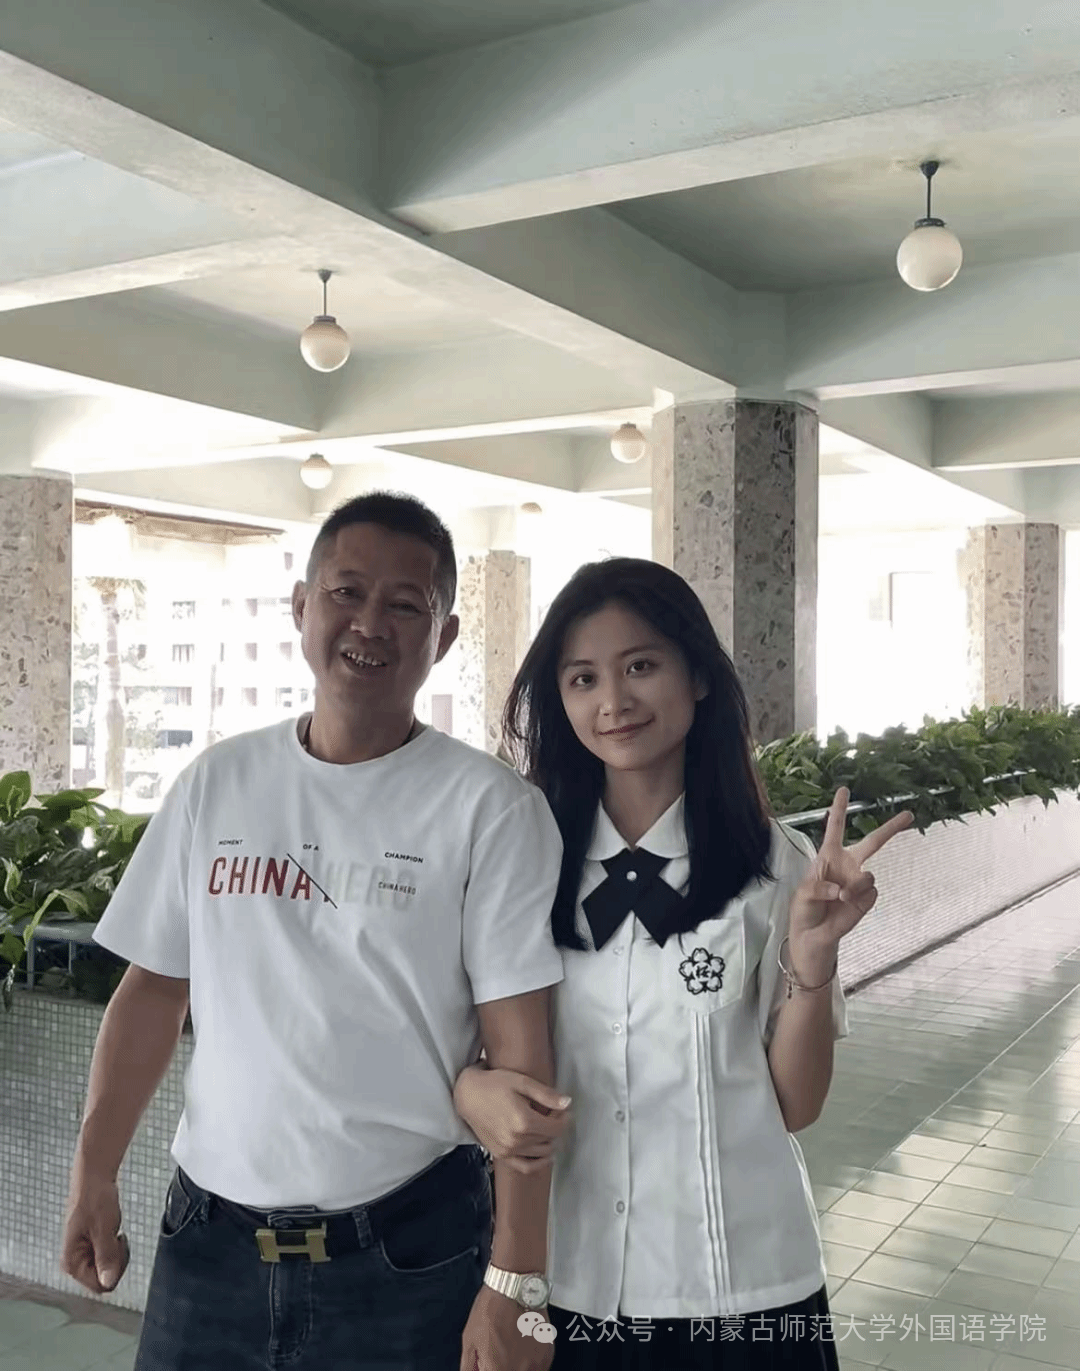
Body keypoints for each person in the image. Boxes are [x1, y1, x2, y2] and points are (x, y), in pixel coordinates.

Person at [61, 492, 566, 1371]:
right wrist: (93, 1171)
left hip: (406, 1253)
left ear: (444, 636)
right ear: (301, 606)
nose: (370, 623)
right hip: (208, 1247)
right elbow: (151, 992)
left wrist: (515, 1280)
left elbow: (525, 1067)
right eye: (346, 592)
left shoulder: (490, 809)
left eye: (406, 604)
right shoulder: (216, 782)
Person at [452, 558, 913, 1369]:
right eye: (583, 678)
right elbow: (469, 1044)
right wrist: (467, 1086)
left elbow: (795, 1104)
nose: (613, 700)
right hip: (569, 1283)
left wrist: (812, 965)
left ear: (697, 675)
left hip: (745, 1286)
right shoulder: (522, 864)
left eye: (641, 666)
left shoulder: (777, 865)